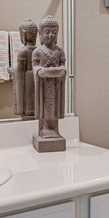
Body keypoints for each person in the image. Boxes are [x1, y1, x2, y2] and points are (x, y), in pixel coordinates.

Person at [32, 15, 66, 146]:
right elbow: (35, 68)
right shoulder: (37, 52)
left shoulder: (60, 52)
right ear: (40, 34)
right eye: (47, 32)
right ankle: (45, 128)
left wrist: (61, 71)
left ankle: (54, 128)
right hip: (44, 86)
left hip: (56, 86)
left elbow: (63, 67)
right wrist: (40, 71)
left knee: (55, 108)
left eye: (54, 32)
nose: (51, 35)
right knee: (45, 108)